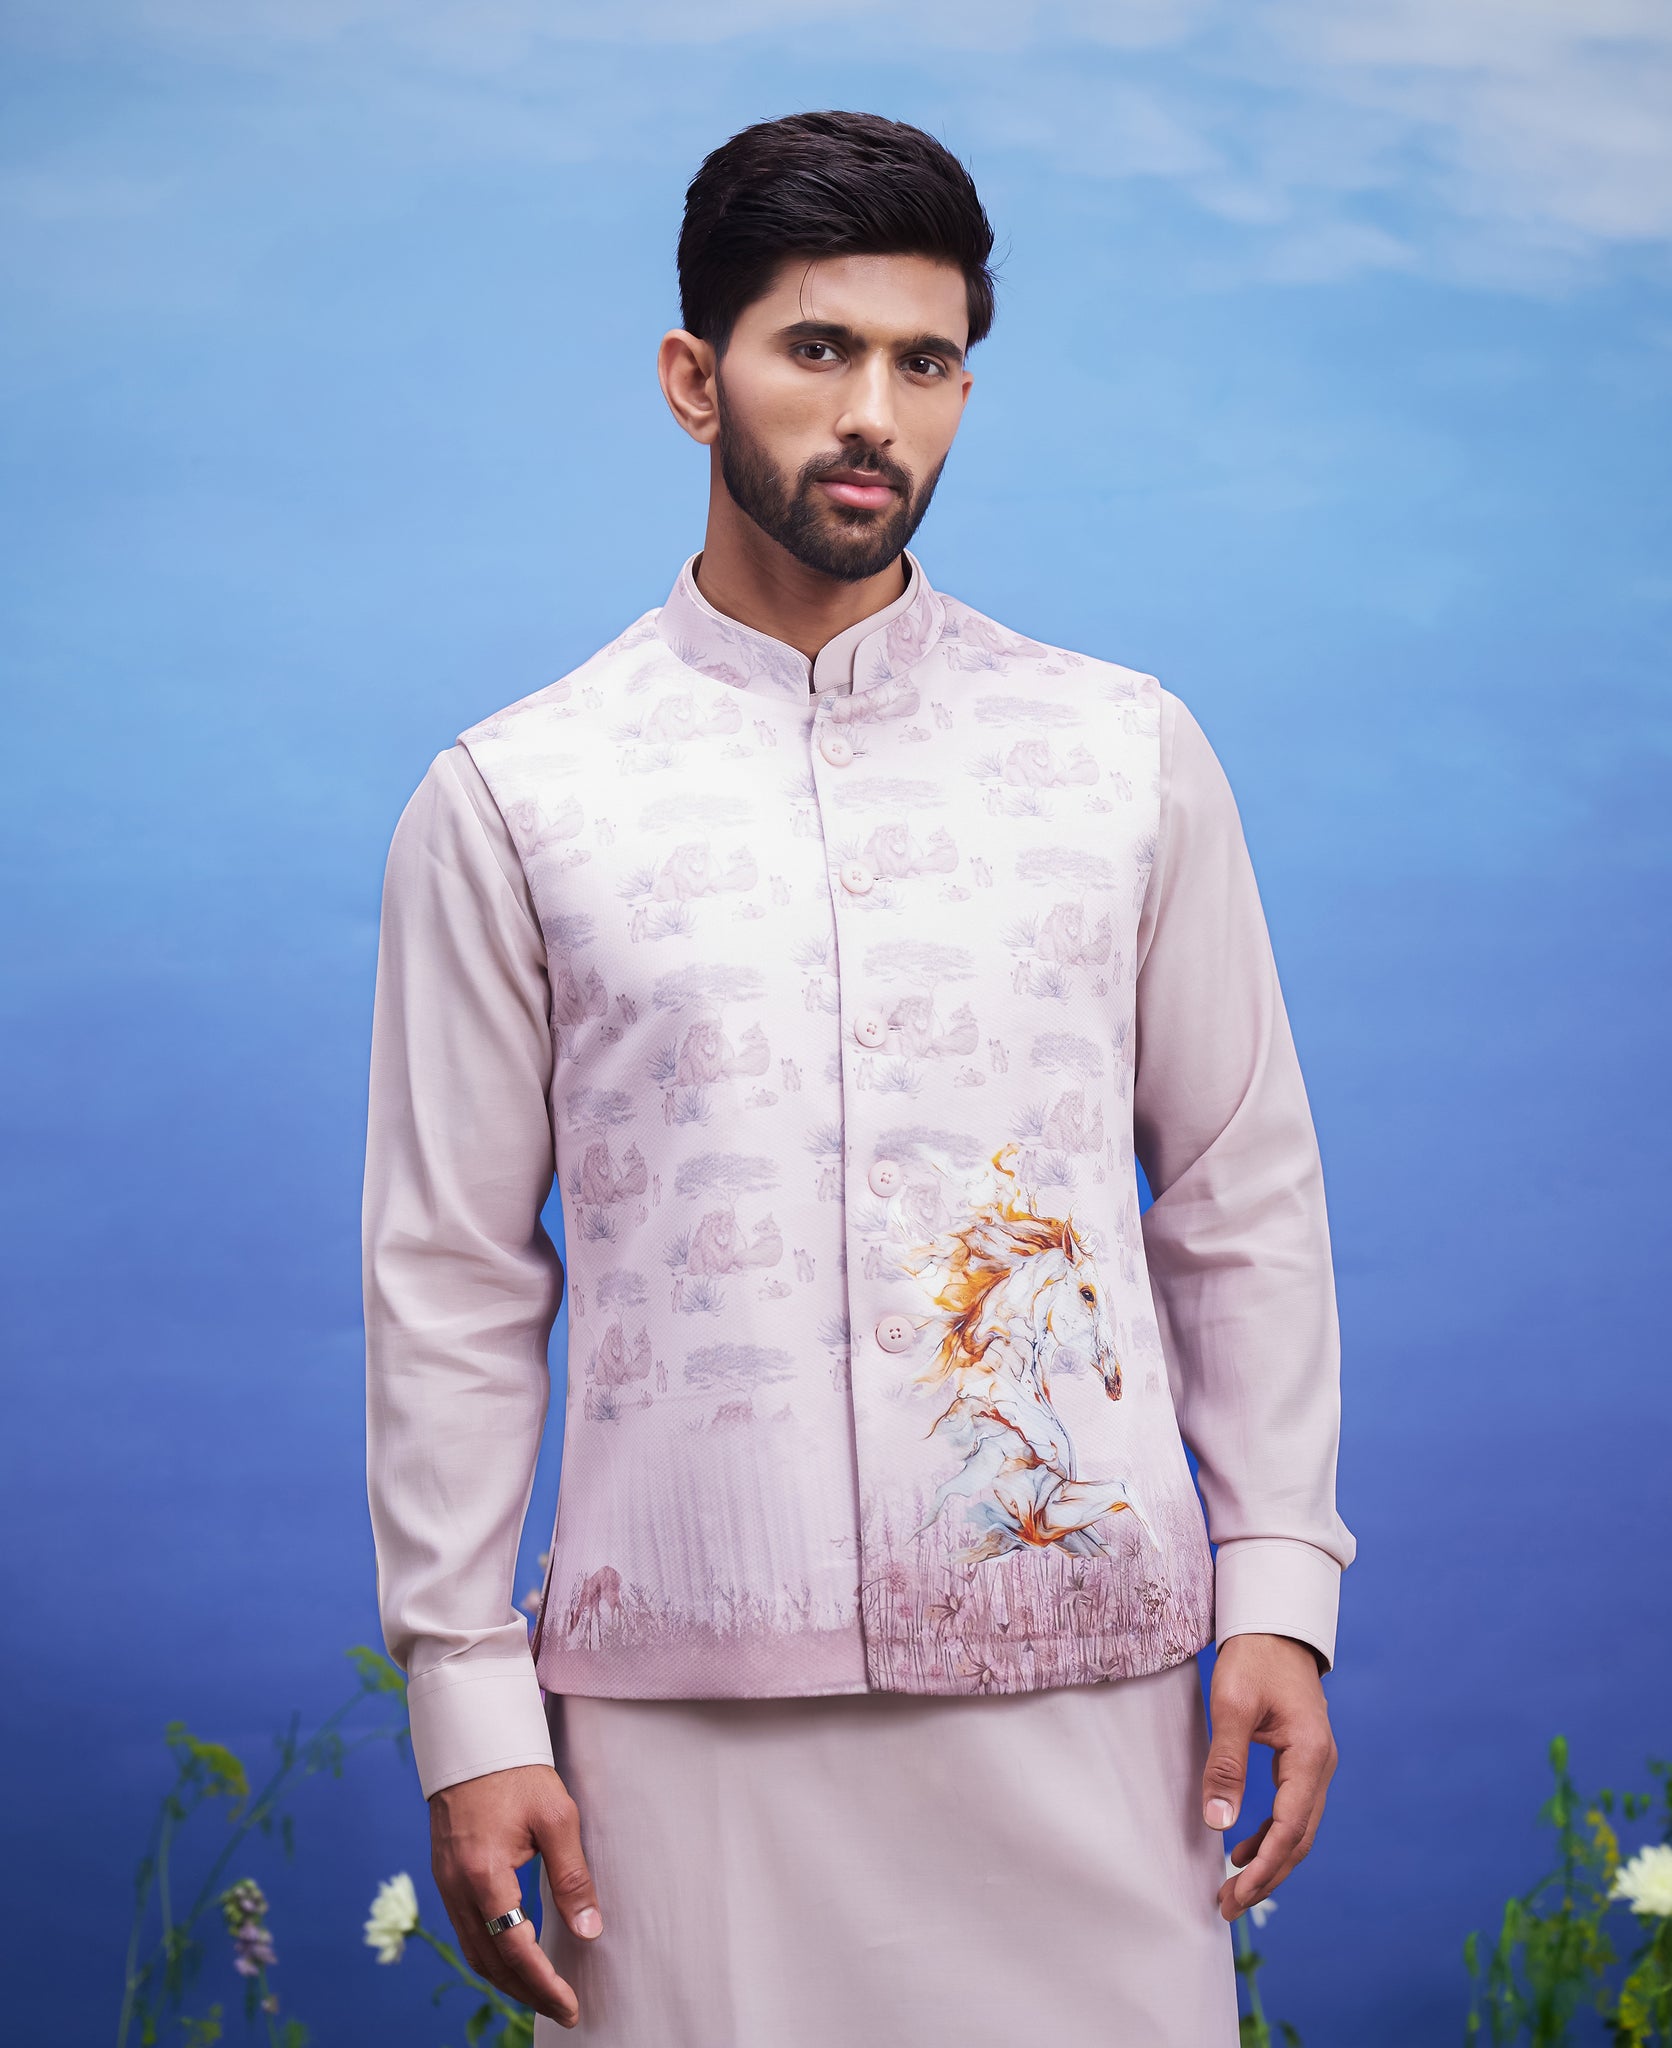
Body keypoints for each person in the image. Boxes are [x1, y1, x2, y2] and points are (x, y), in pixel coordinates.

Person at [362, 109, 1354, 2046]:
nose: (873, 415)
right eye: (817, 350)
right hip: (680, 1732)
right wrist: (468, 1702)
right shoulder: (516, 798)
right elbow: (452, 1279)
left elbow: (1241, 1192)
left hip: (1083, 1699)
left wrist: (1275, 1586)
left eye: (925, 362)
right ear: (692, 377)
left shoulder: (1122, 757)